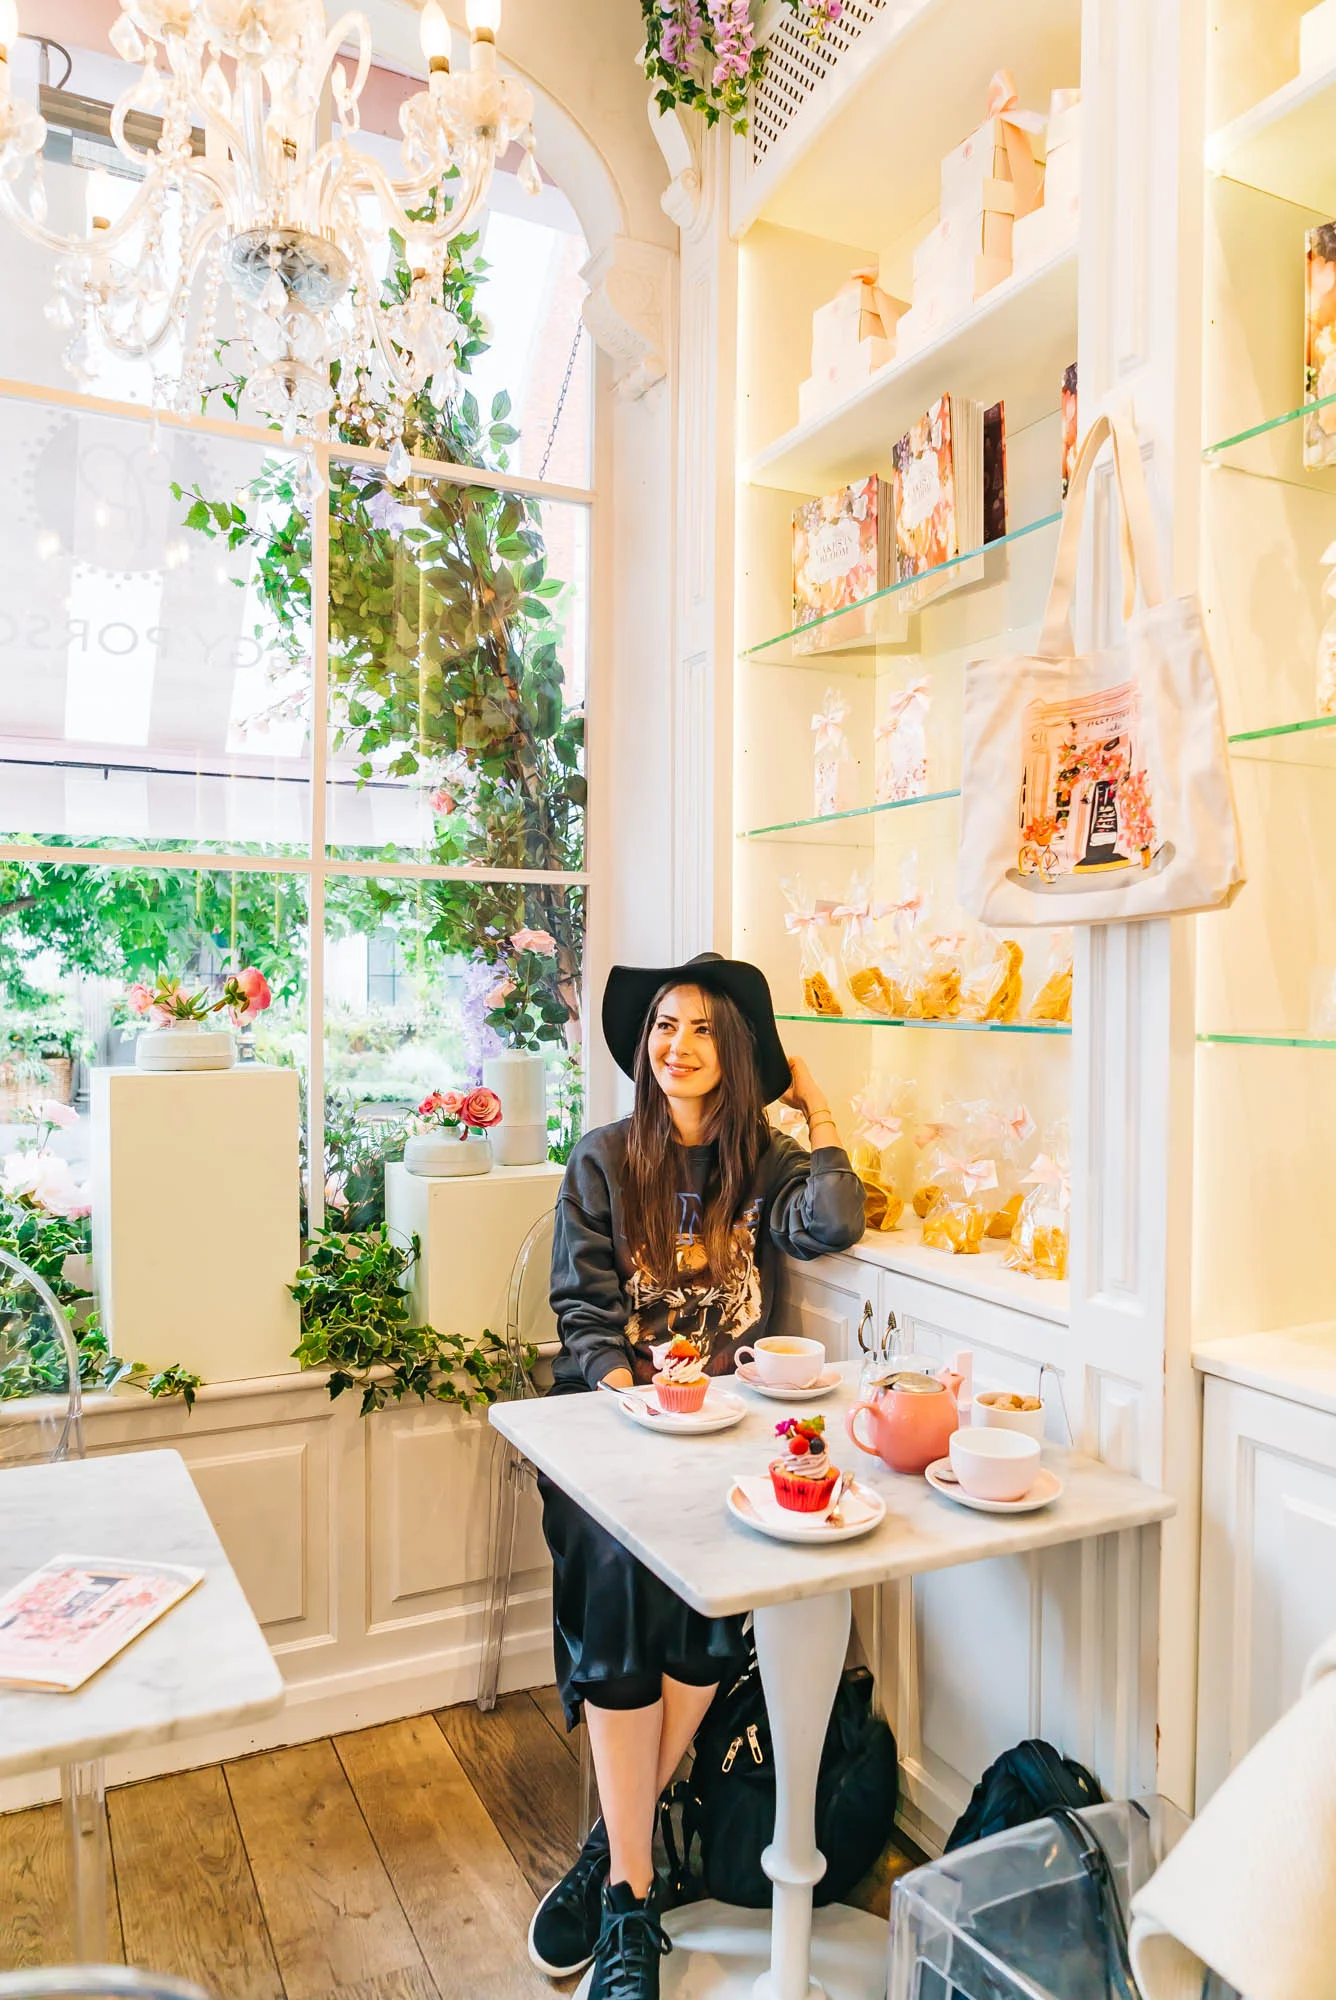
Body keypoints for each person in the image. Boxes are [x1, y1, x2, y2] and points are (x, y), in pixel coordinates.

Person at [527, 951, 866, 2000]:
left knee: (714, 1600)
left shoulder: (764, 1165)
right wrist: (639, 1401)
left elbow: (835, 1220)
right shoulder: (601, 1159)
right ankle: (634, 1893)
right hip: (609, 1427)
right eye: (664, 1026)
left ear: (737, 1053)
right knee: (621, 1580)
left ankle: (613, 1846)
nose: (677, 1045)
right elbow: (583, 1315)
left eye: (703, 1029)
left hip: (729, 1436)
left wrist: (819, 1110)